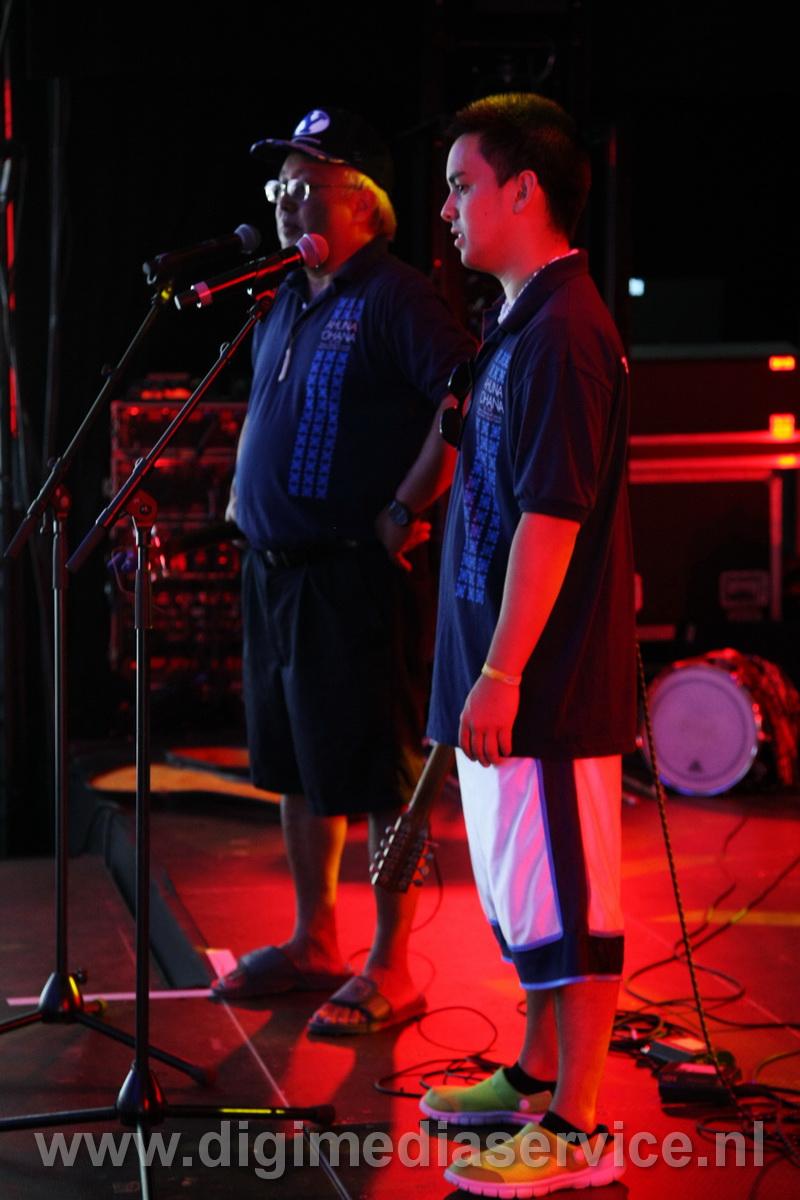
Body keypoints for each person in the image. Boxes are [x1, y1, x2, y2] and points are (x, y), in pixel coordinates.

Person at [210, 107, 476, 1035]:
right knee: (296, 763)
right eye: (280, 188)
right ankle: (314, 938)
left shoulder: (397, 296)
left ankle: (391, 961)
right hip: (276, 572)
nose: (287, 205)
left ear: (365, 203)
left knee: (377, 771)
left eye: (307, 187)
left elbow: (465, 391)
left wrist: (407, 503)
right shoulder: (288, 294)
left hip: (352, 575)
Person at [420, 93, 637, 1194]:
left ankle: (578, 1128)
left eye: (462, 185)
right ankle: (534, 1072)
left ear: (524, 189)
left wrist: (503, 670)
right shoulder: (519, 321)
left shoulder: (565, 331)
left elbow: (552, 518)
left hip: (544, 685)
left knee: (570, 905)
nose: (448, 208)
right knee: (524, 898)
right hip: (498, 672)